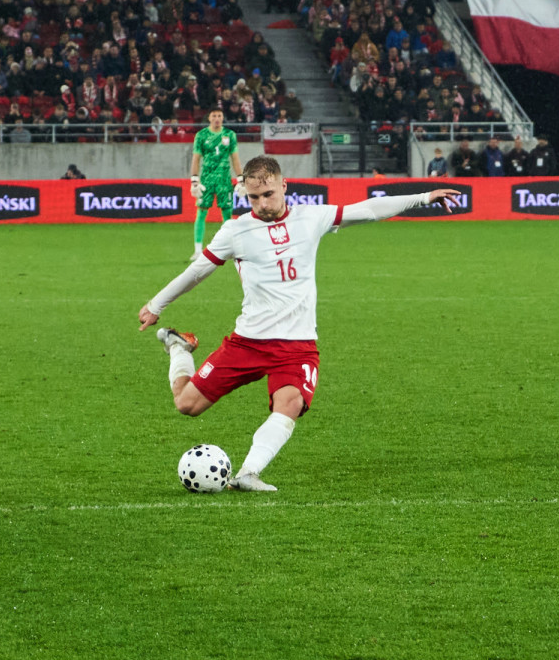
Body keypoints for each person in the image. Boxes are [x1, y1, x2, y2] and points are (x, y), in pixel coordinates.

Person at [138, 155, 461, 491]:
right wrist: (155, 304)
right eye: (254, 197)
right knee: (187, 405)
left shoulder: (311, 217)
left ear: (284, 186)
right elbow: (197, 272)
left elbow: (368, 209)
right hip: (247, 342)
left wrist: (423, 197)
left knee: (290, 403)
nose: (263, 204)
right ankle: (179, 348)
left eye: (268, 194)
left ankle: (248, 473)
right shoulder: (235, 231)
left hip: (297, 346)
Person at [190, 108, 244, 257]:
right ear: (209, 118)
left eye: (219, 115)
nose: (217, 118)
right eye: (214, 115)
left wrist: (241, 179)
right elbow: (196, 158)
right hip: (206, 180)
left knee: (227, 214)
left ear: (223, 117)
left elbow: (235, 158)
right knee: (201, 212)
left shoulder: (230, 135)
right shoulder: (201, 135)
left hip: (224, 180)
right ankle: (197, 250)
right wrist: (194, 180)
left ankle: (230, 247)